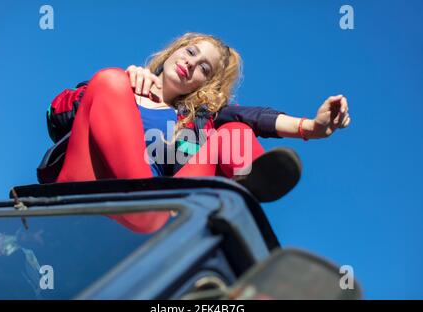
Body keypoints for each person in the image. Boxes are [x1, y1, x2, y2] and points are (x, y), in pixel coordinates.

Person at [45, 32, 350, 233]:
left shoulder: (195, 121)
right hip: (90, 192)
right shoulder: (121, 85)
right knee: (109, 80)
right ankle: (152, 213)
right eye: (191, 52)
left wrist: (311, 127)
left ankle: (242, 197)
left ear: (202, 86)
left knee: (234, 131)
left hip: (163, 211)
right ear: (173, 51)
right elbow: (56, 114)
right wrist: (126, 82)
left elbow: (254, 117)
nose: (191, 64)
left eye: (204, 69)